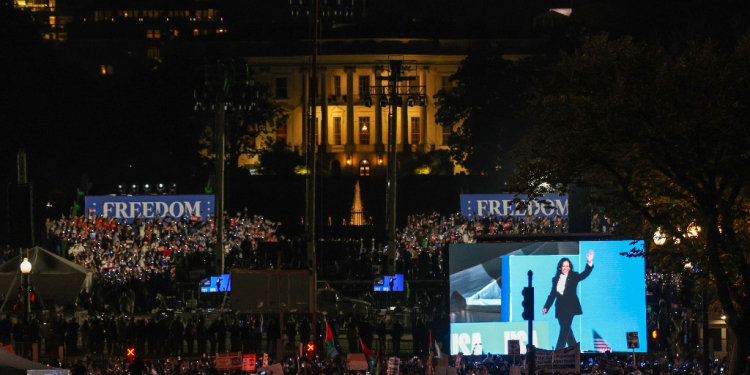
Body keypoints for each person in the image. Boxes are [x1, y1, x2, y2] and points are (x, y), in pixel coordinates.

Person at [542, 250, 594, 350]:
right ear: (560, 267)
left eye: (567, 266)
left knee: (564, 330)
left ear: (570, 267)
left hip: (570, 307)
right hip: (560, 308)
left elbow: (585, 274)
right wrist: (546, 307)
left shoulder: (574, 276)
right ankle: (575, 352)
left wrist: (589, 262)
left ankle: (558, 351)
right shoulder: (555, 279)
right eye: (563, 266)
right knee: (568, 332)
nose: (565, 268)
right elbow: (553, 294)